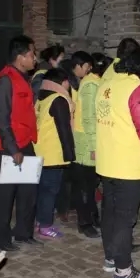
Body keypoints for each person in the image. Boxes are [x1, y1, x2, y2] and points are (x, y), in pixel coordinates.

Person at [96, 49, 140, 278]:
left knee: (110, 213)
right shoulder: (136, 89)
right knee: (125, 217)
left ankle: (111, 258)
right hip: (127, 164)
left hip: (107, 161)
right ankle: (123, 270)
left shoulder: (106, 85)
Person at [0, 35, 40, 252]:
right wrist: (12, 148)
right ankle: (0, 238)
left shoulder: (21, 77)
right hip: (6, 147)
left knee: (28, 193)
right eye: (32, 54)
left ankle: (23, 233)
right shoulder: (5, 80)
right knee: (3, 196)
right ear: (20, 57)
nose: (35, 59)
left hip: (24, 142)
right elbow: (0, 118)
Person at [72, 53, 112, 238]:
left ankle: (93, 217)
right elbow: (89, 118)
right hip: (85, 144)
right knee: (85, 187)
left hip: (90, 141)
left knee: (90, 185)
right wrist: (94, 146)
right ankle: (85, 222)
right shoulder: (90, 85)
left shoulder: (95, 83)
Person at [33, 68, 76, 239]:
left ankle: (40, 220)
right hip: (52, 153)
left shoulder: (41, 98)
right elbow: (64, 129)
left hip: (39, 151)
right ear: (63, 82)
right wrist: (70, 153)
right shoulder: (58, 99)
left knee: (42, 190)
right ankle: (45, 225)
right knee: (50, 191)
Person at [55, 51, 94, 223]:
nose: (88, 70)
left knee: (72, 176)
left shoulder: (77, 81)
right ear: (78, 66)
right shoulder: (69, 83)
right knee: (69, 176)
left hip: (74, 133)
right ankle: (64, 208)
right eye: (86, 66)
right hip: (70, 133)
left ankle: (69, 207)